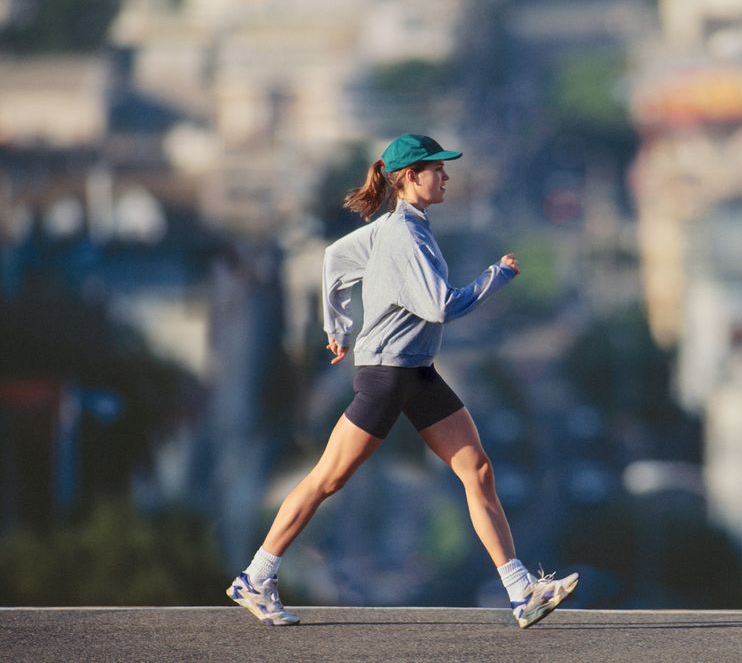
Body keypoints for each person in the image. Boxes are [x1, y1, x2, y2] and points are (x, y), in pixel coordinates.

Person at [226, 134, 578, 628]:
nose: (447, 176)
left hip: (417, 372)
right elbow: (440, 306)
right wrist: (496, 276)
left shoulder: (396, 228)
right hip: (389, 376)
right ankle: (256, 577)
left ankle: (522, 593)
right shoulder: (403, 236)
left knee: (477, 471)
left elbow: (333, 259)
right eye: (438, 168)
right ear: (410, 177)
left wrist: (339, 328)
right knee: (328, 478)